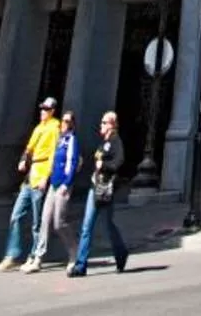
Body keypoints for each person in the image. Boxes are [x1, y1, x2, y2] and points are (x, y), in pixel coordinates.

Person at [0, 96, 61, 269]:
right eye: (41, 109)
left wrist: (46, 177)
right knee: (15, 216)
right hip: (29, 176)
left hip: (40, 175)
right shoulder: (39, 127)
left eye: (46, 109)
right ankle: (12, 254)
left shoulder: (55, 127)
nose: (42, 112)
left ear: (52, 111)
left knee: (37, 222)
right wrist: (23, 159)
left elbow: (54, 154)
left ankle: (34, 256)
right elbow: (29, 147)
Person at [69, 110, 129, 278]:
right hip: (94, 187)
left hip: (106, 189)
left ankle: (121, 253)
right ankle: (80, 266)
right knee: (87, 226)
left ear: (112, 125)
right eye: (101, 122)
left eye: (104, 122)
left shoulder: (116, 141)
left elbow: (118, 162)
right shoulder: (103, 143)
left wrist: (104, 166)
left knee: (109, 225)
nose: (100, 125)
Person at [28, 108, 80, 269]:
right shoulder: (59, 140)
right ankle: (38, 257)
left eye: (66, 121)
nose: (62, 124)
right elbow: (52, 161)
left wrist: (67, 183)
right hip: (53, 184)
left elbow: (72, 162)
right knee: (45, 221)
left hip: (63, 185)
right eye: (62, 120)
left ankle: (74, 252)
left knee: (59, 223)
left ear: (71, 124)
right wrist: (47, 178)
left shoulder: (72, 140)